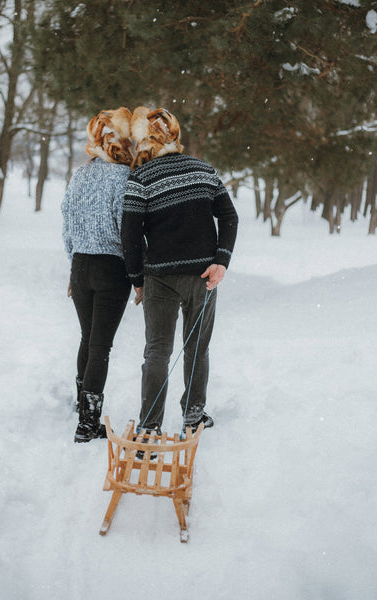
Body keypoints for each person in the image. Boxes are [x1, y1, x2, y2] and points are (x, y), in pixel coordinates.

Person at [121, 106, 238, 434]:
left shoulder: (141, 177)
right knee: (197, 347)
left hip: (159, 278)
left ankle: (149, 426)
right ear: (175, 135)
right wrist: (221, 261)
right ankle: (193, 415)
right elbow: (229, 216)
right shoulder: (204, 170)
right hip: (203, 277)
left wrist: (136, 280)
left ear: (145, 140)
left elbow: (129, 233)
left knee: (157, 350)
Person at [62, 107, 133, 443]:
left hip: (80, 266)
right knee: (100, 345)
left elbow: (67, 222)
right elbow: (127, 230)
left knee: (87, 339)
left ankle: (82, 407)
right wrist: (138, 274)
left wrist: (72, 264)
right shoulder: (124, 178)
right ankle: (88, 424)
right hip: (110, 268)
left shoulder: (79, 174)